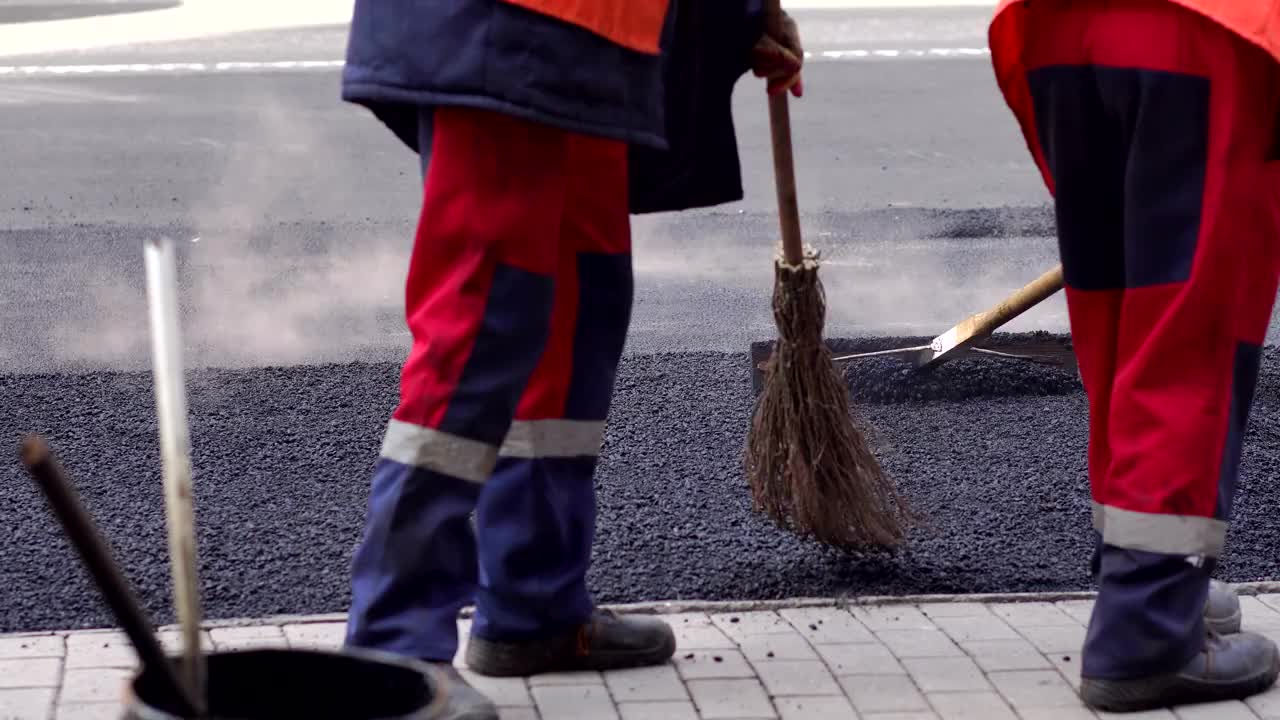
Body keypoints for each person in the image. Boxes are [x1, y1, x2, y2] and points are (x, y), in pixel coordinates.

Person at [336, 1, 804, 718]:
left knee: (578, 304)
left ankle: (534, 605)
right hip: (505, 24)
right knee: (481, 317)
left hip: (589, 36)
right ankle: (392, 647)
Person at [988, 0, 1280, 711]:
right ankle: (1145, 631)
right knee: (1190, 340)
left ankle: (1146, 580)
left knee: (1118, 321)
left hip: (1064, 27)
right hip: (1210, 29)